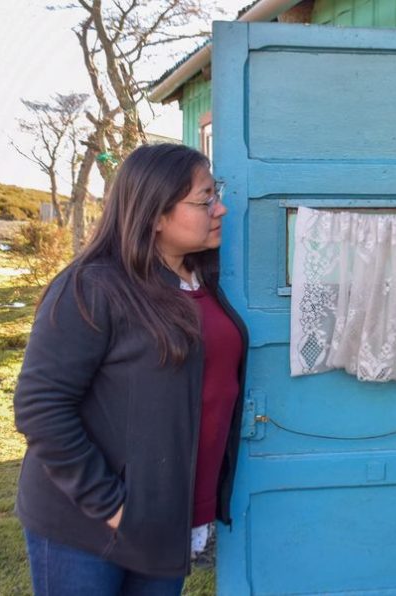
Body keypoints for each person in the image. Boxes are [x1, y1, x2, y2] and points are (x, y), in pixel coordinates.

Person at [14, 143, 248, 596]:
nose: (221, 207)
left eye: (214, 193)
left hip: (166, 518)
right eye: (204, 200)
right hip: (87, 525)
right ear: (155, 215)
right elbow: (40, 407)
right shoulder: (93, 286)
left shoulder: (204, 279)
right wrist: (113, 506)